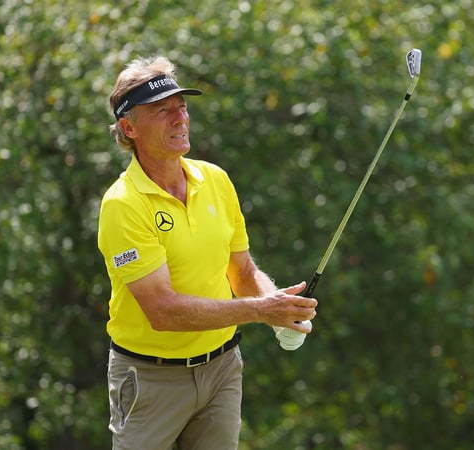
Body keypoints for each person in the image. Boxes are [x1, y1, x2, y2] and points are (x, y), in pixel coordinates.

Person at [97, 55, 317, 450]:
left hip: (221, 370)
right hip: (149, 379)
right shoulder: (123, 205)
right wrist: (261, 311)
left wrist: (279, 308)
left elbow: (242, 272)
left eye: (181, 107)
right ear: (129, 128)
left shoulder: (215, 180)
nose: (179, 118)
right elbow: (162, 311)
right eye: (162, 111)